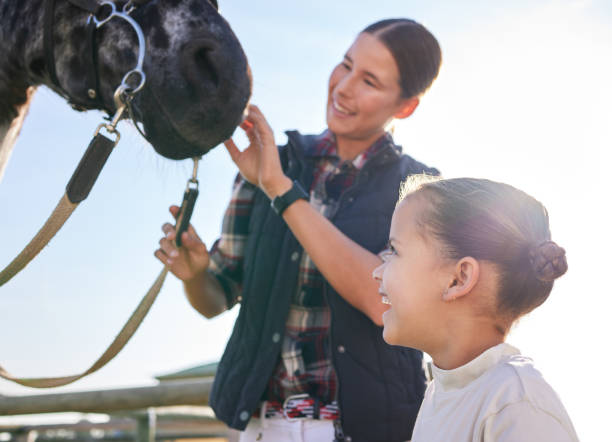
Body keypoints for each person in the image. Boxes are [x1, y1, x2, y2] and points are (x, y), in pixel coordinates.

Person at [155, 18, 442, 442]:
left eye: (369, 81)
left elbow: (385, 304)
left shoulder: (420, 191)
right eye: (345, 65)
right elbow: (214, 301)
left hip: (365, 429)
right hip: (260, 426)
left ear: (405, 106)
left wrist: (280, 190)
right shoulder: (272, 161)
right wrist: (196, 274)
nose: (343, 87)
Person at [373, 176, 579, 441]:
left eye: (394, 250)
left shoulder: (515, 402)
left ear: (458, 278)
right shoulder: (441, 395)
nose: (377, 272)